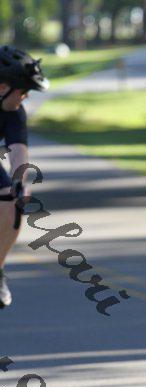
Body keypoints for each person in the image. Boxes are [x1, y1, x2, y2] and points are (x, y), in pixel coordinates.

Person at [0, 45, 49, 309]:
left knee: (12, 198)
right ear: (2, 87)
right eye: (23, 90)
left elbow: (18, 151)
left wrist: (20, 183)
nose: (26, 96)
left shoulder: (14, 111)